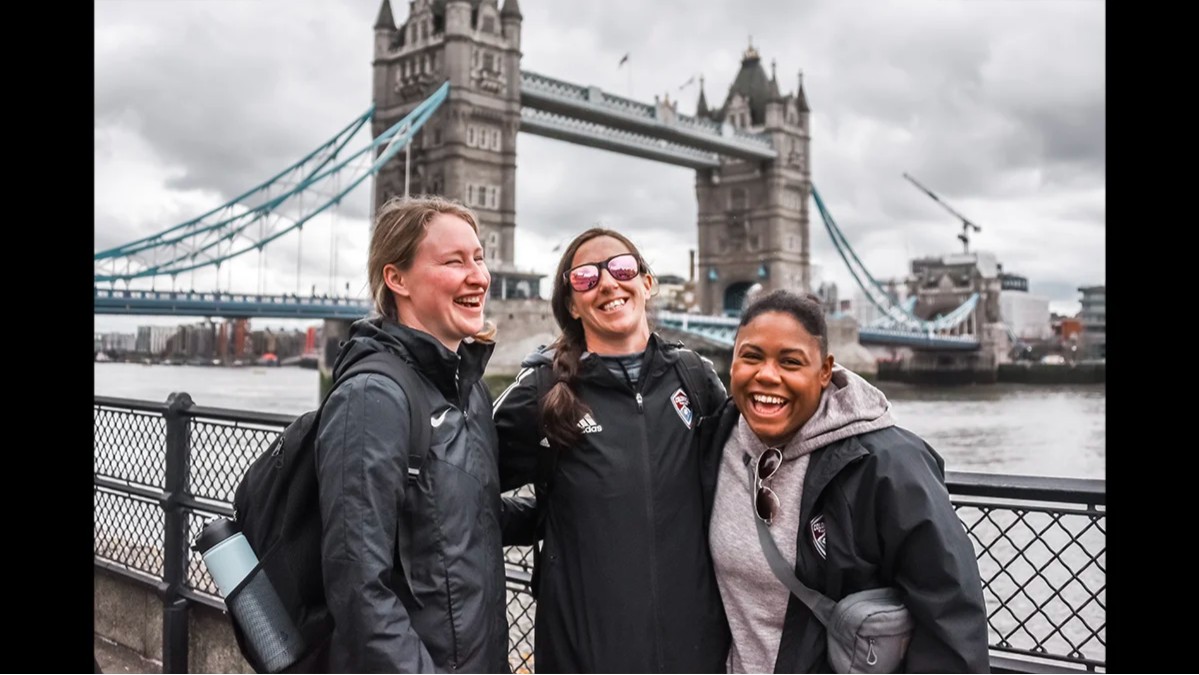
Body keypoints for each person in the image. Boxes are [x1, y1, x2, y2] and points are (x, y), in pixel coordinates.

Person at [702, 289, 990, 673]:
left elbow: (950, 619)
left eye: (790, 362)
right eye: (751, 357)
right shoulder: (712, 439)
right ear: (732, 362)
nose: (767, 376)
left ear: (824, 372)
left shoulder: (888, 465)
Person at [493, 227, 731, 673]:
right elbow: (459, 483)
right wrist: (546, 516)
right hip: (585, 656)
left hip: (695, 655)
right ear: (570, 302)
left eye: (621, 268)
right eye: (585, 277)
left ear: (647, 282)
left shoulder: (695, 380)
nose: (607, 283)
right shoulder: (541, 390)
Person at [315, 194, 534, 672]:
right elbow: (357, 585)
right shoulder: (373, 397)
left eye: (479, 258)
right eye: (454, 261)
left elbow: (462, 517)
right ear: (397, 279)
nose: (479, 276)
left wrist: (570, 502)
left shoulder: (467, 390)